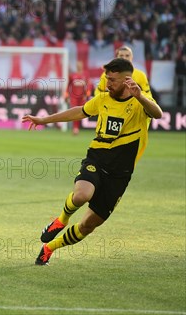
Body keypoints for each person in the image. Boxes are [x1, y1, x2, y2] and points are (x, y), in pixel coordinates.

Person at [22, 58, 162, 266]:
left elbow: (157, 114)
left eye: (112, 80)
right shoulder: (103, 99)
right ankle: (61, 220)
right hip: (97, 158)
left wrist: (141, 97)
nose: (107, 84)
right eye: (106, 79)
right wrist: (44, 120)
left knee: (88, 226)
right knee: (81, 195)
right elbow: (79, 111)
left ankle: (49, 248)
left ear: (126, 80)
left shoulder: (139, 101)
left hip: (120, 174)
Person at [65, 61, 91, 135]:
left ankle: (77, 127)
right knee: (74, 112)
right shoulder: (72, 75)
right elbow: (68, 86)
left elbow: (88, 85)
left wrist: (87, 94)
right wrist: (66, 95)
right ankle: (75, 128)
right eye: (77, 65)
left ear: (82, 66)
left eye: (80, 65)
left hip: (82, 97)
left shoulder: (85, 75)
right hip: (74, 97)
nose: (79, 66)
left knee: (80, 112)